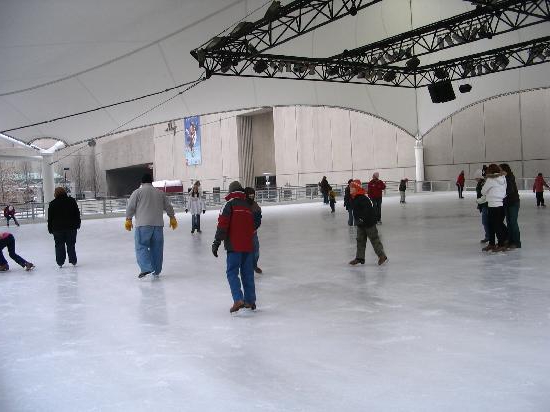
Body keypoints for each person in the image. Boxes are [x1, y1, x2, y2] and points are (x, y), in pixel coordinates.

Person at [212, 181, 256, 313]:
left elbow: (222, 224)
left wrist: (216, 242)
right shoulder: (248, 206)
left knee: (232, 272)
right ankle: (250, 301)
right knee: (248, 273)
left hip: (234, 246)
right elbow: (253, 227)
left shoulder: (229, 204)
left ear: (231, 192)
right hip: (248, 246)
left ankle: (238, 299)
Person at [125, 173, 178, 278]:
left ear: (142, 182)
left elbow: (130, 207)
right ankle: (156, 270)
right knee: (157, 248)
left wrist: (128, 219)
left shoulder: (137, 192)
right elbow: (168, 206)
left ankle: (146, 268)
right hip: (158, 225)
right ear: (151, 181)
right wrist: (172, 217)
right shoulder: (160, 193)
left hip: (143, 225)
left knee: (141, 246)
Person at [348, 180, 387, 266]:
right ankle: (359, 258)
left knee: (374, 239)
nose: (350, 189)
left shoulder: (363, 198)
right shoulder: (354, 197)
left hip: (368, 223)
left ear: (356, 188)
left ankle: (382, 256)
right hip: (361, 223)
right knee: (360, 240)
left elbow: (368, 211)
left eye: (352, 188)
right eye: (350, 187)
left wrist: (362, 219)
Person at [47, 187, 81, 267]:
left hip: (57, 229)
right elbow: (77, 213)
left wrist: (50, 228)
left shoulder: (52, 203)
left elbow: (50, 218)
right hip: (71, 227)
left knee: (59, 245)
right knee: (71, 245)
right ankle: (73, 260)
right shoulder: (71, 201)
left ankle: (60, 262)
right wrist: (78, 223)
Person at [481, 164, 508, 252]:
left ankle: (499, 245)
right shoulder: (503, 178)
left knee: (493, 226)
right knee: (498, 225)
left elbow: (483, 191)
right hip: (501, 205)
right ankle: (494, 244)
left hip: (492, 205)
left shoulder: (490, 180)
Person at [500, 164, 521, 249]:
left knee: (513, 222)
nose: (499, 172)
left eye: (500, 170)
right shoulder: (504, 178)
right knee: (509, 223)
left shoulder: (510, 178)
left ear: (505, 170)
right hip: (507, 203)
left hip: (513, 203)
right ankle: (510, 240)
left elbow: (509, 190)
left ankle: (517, 242)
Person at [244, 187, 263, 274]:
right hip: (244, 234)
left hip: (253, 233)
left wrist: (254, 227)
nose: (251, 197)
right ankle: (247, 268)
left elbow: (258, 220)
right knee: (245, 253)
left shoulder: (256, 206)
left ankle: (254, 266)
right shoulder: (242, 206)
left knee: (256, 252)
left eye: (253, 196)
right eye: (250, 196)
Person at [474, 169, 489, 244]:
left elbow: (484, 195)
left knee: (486, 222)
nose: (475, 179)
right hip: (483, 204)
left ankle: (488, 236)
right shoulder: (480, 183)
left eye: (476, 177)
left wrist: (479, 202)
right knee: (485, 222)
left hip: (486, 205)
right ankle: (488, 236)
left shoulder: (483, 183)